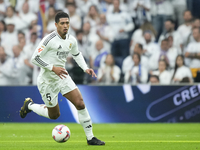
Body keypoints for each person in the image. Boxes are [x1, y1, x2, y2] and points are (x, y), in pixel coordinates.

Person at [19, 12, 105, 146]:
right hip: (47, 81)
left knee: (80, 103)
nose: (65, 26)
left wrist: (85, 68)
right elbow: (34, 58)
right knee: (54, 115)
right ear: (56, 25)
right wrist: (52, 68)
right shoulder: (49, 40)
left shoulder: (71, 40)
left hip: (63, 77)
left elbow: (77, 54)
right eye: (62, 23)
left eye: (67, 23)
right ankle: (29, 105)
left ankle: (90, 138)